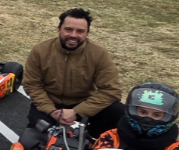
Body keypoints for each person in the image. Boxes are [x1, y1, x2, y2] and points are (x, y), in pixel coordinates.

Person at [22, 8, 124, 138]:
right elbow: (32, 85)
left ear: (87, 33)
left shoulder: (99, 53)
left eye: (80, 31)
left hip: (84, 105)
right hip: (50, 104)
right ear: (59, 29)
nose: (73, 35)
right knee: (33, 141)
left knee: (118, 111)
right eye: (68, 29)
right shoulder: (40, 51)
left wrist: (77, 112)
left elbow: (111, 90)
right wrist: (51, 111)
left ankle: (92, 141)